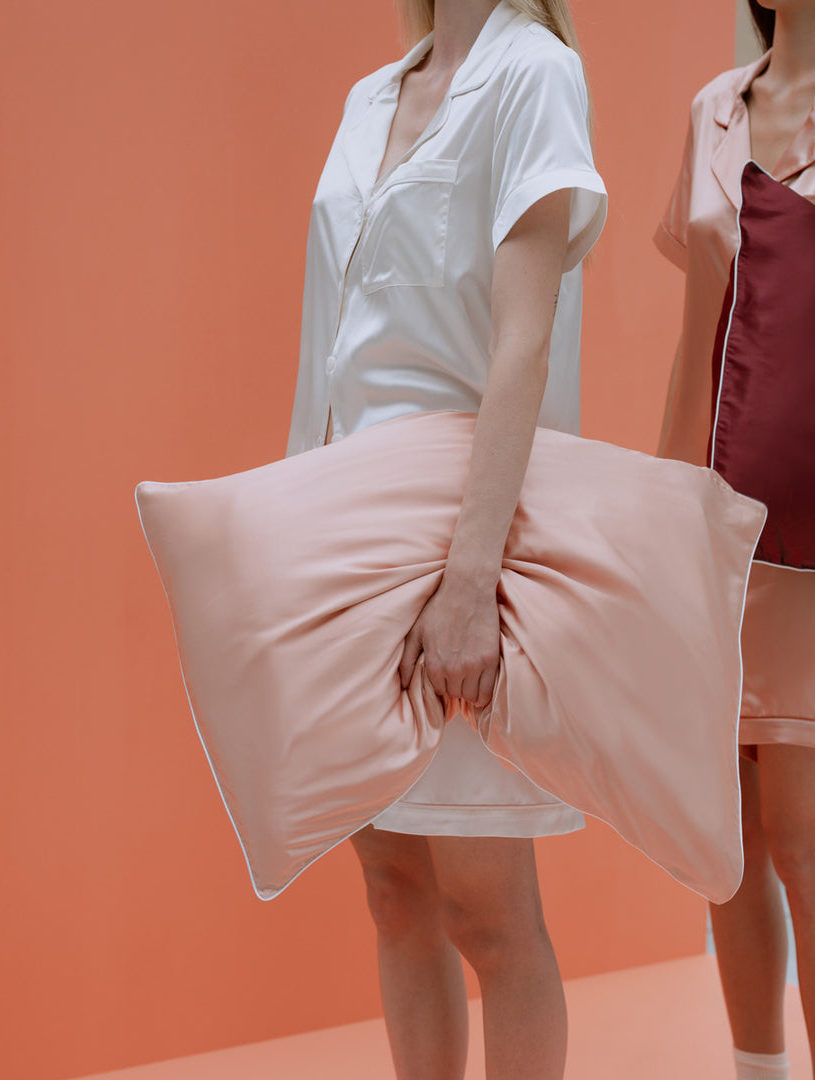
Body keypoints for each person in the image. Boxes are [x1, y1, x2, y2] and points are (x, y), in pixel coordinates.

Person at [285, 0, 606, 1075]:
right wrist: (296, 545)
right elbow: (329, 342)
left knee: (489, 912)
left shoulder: (535, 73)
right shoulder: (369, 96)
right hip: (342, 537)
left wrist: (473, 576)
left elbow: (524, 339)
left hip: (457, 531)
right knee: (394, 894)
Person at [654, 2, 815, 1078]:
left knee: (805, 838)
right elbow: (700, 333)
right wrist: (655, 518)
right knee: (726, 850)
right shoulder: (715, 109)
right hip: (713, 525)